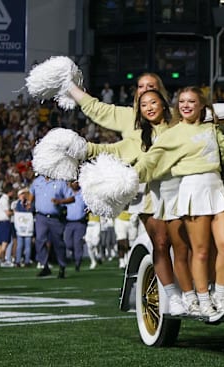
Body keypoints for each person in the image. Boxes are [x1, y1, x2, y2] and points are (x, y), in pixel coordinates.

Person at [67, 75, 182, 313]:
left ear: (161, 93)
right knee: (160, 243)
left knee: (183, 245)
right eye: (141, 88)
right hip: (148, 190)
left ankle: (192, 292)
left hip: (181, 188)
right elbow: (98, 110)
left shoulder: (178, 117)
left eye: (151, 88)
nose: (145, 93)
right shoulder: (131, 118)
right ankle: (173, 295)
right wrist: (66, 84)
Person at [135, 86, 224, 317]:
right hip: (193, 189)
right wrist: (128, 176)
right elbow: (150, 161)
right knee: (200, 251)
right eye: (182, 102)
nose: (186, 105)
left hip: (216, 187)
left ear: (201, 105)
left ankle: (219, 295)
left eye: (191, 101)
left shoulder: (212, 129)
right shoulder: (172, 133)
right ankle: (202, 298)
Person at [29, 175, 70, 278]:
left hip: (55, 217)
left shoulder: (60, 182)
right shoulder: (37, 181)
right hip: (40, 216)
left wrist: (60, 201)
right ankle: (44, 265)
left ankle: (62, 266)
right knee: (39, 240)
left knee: (58, 243)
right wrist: (29, 202)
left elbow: (71, 198)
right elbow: (31, 193)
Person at [63, 180, 88, 272]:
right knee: (68, 243)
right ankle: (74, 254)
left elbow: (87, 206)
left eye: (76, 182)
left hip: (80, 222)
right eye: (73, 182)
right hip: (69, 222)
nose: (75, 184)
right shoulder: (67, 193)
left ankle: (78, 262)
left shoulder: (83, 194)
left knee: (78, 243)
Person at [13, 188, 34, 267]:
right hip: (21, 226)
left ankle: (27, 261)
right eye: (22, 194)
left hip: (27, 226)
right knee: (20, 245)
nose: (23, 196)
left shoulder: (29, 203)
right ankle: (18, 260)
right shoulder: (17, 203)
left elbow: (31, 210)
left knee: (28, 245)